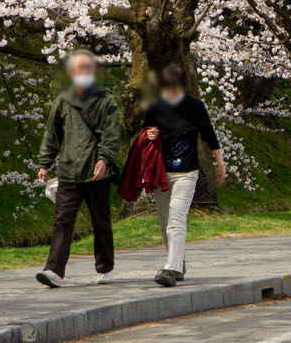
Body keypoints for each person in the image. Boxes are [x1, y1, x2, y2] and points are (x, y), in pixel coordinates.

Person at [35, 49, 122, 288]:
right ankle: (53, 270)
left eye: (87, 68)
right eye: (79, 68)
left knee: (100, 221)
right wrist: (45, 162)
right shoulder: (62, 101)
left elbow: (112, 135)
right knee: (62, 221)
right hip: (69, 171)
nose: (83, 72)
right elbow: (52, 134)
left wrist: (103, 159)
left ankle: (105, 267)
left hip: (96, 174)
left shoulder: (106, 101)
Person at [140, 64, 224, 287]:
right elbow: (144, 135)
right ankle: (178, 261)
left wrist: (220, 164)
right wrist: (150, 133)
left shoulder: (195, 107)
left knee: (176, 218)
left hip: (186, 172)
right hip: (160, 172)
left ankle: (171, 268)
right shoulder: (155, 106)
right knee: (164, 220)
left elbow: (209, 136)